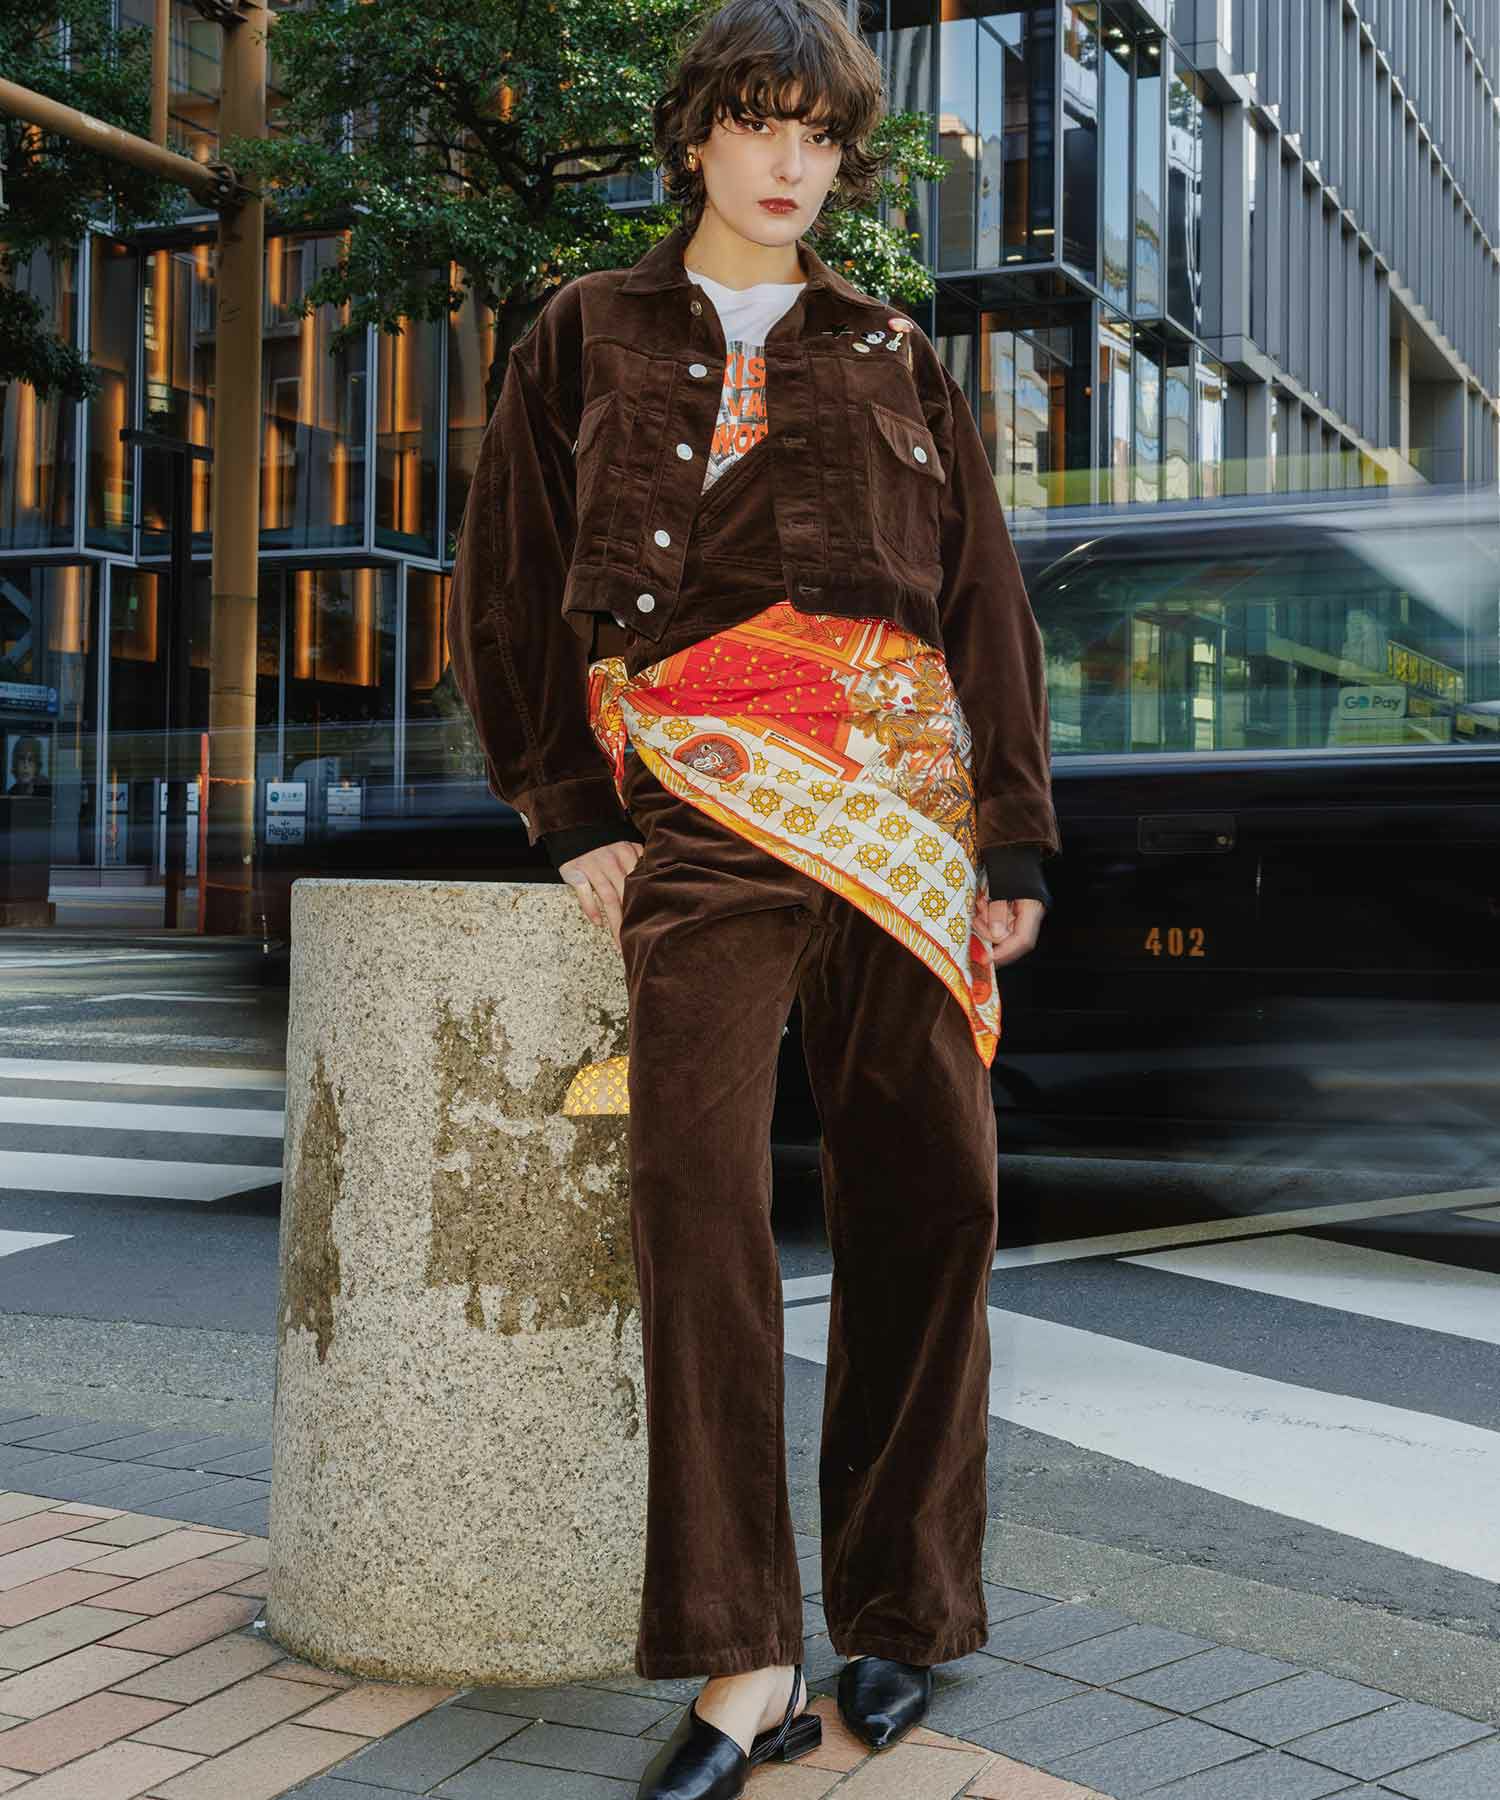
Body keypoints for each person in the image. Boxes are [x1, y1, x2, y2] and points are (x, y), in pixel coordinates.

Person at [445, 0, 1059, 1792]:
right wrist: (569, 810)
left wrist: (1012, 837)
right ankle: (743, 1656)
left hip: (903, 813)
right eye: (761, 124)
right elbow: (507, 582)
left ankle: (901, 1610)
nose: (794, 163)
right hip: (699, 812)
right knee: (696, 1202)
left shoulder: (892, 348)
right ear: (698, 136)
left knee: (935, 1196)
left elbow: (983, 599)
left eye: (821, 136)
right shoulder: (585, 330)